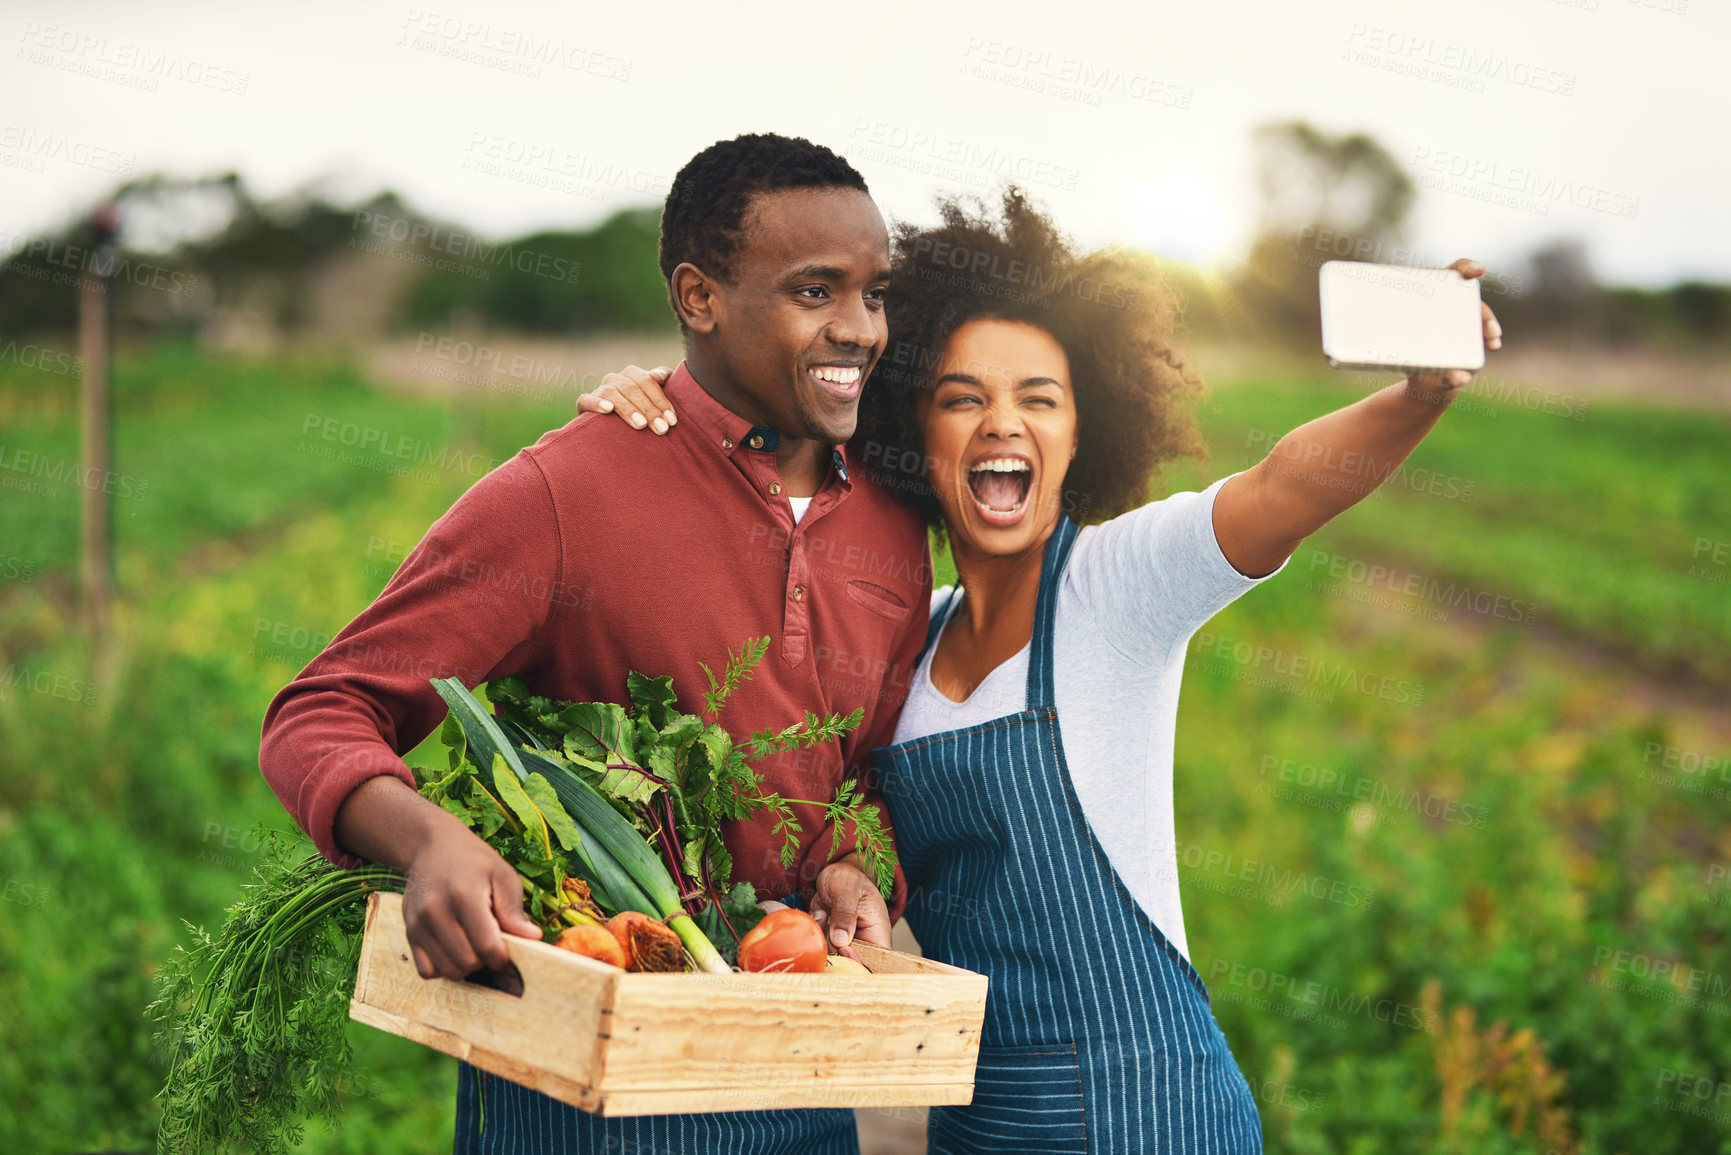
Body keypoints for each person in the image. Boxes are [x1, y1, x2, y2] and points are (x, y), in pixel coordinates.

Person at [580, 187, 1503, 1153]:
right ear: (911, 429)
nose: (1001, 423)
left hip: (1154, 1114)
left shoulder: (1116, 588)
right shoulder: (903, 643)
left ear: (1079, 433)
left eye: (1039, 399)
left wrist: (1420, 394)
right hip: (978, 1124)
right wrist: (665, 411)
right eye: (961, 398)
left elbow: (1278, 486)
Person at [259, 133, 933, 1154]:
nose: (859, 328)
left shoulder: (889, 520)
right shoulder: (565, 497)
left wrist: (854, 863)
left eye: (874, 293)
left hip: (800, 1060)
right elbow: (323, 710)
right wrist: (428, 837)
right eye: (814, 293)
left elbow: (865, 770)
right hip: (588, 1063)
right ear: (699, 299)